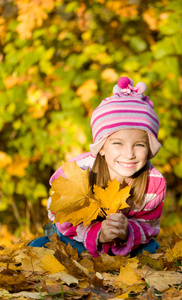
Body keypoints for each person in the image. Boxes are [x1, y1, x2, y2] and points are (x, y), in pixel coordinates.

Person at [29, 77, 166, 258]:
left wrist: (126, 232)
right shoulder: (80, 171)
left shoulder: (154, 183)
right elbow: (59, 214)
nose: (129, 154)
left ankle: (111, 255)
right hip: (76, 237)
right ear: (101, 147)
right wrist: (99, 233)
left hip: (121, 245)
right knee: (43, 247)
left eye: (139, 145)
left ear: (150, 149)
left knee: (151, 249)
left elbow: (148, 227)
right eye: (118, 143)